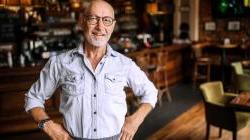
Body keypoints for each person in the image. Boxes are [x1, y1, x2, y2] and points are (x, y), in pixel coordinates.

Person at [24, 0, 158, 139]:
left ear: (113, 25)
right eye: (93, 19)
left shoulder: (125, 64)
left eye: (106, 20)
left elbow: (150, 92)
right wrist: (48, 126)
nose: (100, 27)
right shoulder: (60, 63)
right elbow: (33, 98)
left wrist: (134, 121)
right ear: (82, 22)